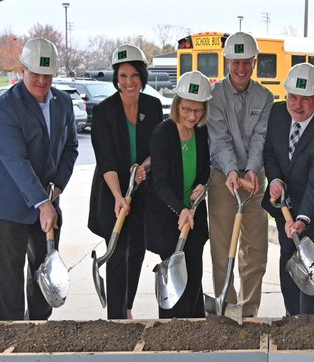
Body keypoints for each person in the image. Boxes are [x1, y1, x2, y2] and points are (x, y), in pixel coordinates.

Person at [0, 38, 79, 321]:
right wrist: (42, 203)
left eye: (48, 75)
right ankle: (12, 333)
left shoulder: (63, 102)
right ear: (22, 70)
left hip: (47, 199)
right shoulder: (5, 108)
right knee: (9, 273)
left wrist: (56, 188)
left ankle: (38, 327)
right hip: (8, 204)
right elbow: (16, 162)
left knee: (44, 266)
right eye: (35, 73)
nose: (42, 80)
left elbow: (70, 148)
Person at [87, 44, 162, 319]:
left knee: (137, 251)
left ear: (142, 76)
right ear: (116, 78)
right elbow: (105, 159)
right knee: (116, 252)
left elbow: (158, 148)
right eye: (122, 76)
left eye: (134, 75)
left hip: (142, 190)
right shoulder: (104, 111)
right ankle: (116, 318)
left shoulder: (153, 107)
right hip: (112, 193)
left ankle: (127, 307)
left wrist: (143, 168)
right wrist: (119, 196)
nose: (128, 82)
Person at [263, 63, 314, 316]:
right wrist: (274, 179)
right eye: (292, 97)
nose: (297, 105)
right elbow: (271, 153)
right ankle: (291, 318)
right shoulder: (277, 113)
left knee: (309, 267)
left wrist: (302, 219)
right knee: (288, 260)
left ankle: (308, 325)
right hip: (285, 206)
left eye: (306, 99)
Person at [205, 32, 273, 318]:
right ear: (227, 62)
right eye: (236, 62)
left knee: (254, 249)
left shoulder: (265, 96)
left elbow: (261, 137)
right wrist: (233, 171)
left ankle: (249, 311)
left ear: (254, 63)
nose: (241, 68)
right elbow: (219, 139)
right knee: (223, 250)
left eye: (247, 62)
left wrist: (252, 171)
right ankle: (228, 311)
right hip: (223, 177)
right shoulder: (215, 95)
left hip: (254, 178)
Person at [146, 71, 212, 318]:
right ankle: (170, 335)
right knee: (172, 284)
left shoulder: (202, 132)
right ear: (177, 105)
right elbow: (160, 182)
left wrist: (201, 185)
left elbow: (205, 168)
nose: (192, 117)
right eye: (186, 110)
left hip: (194, 217)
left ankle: (195, 330)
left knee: (194, 278)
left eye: (197, 111)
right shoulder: (162, 134)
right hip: (168, 218)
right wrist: (181, 209)